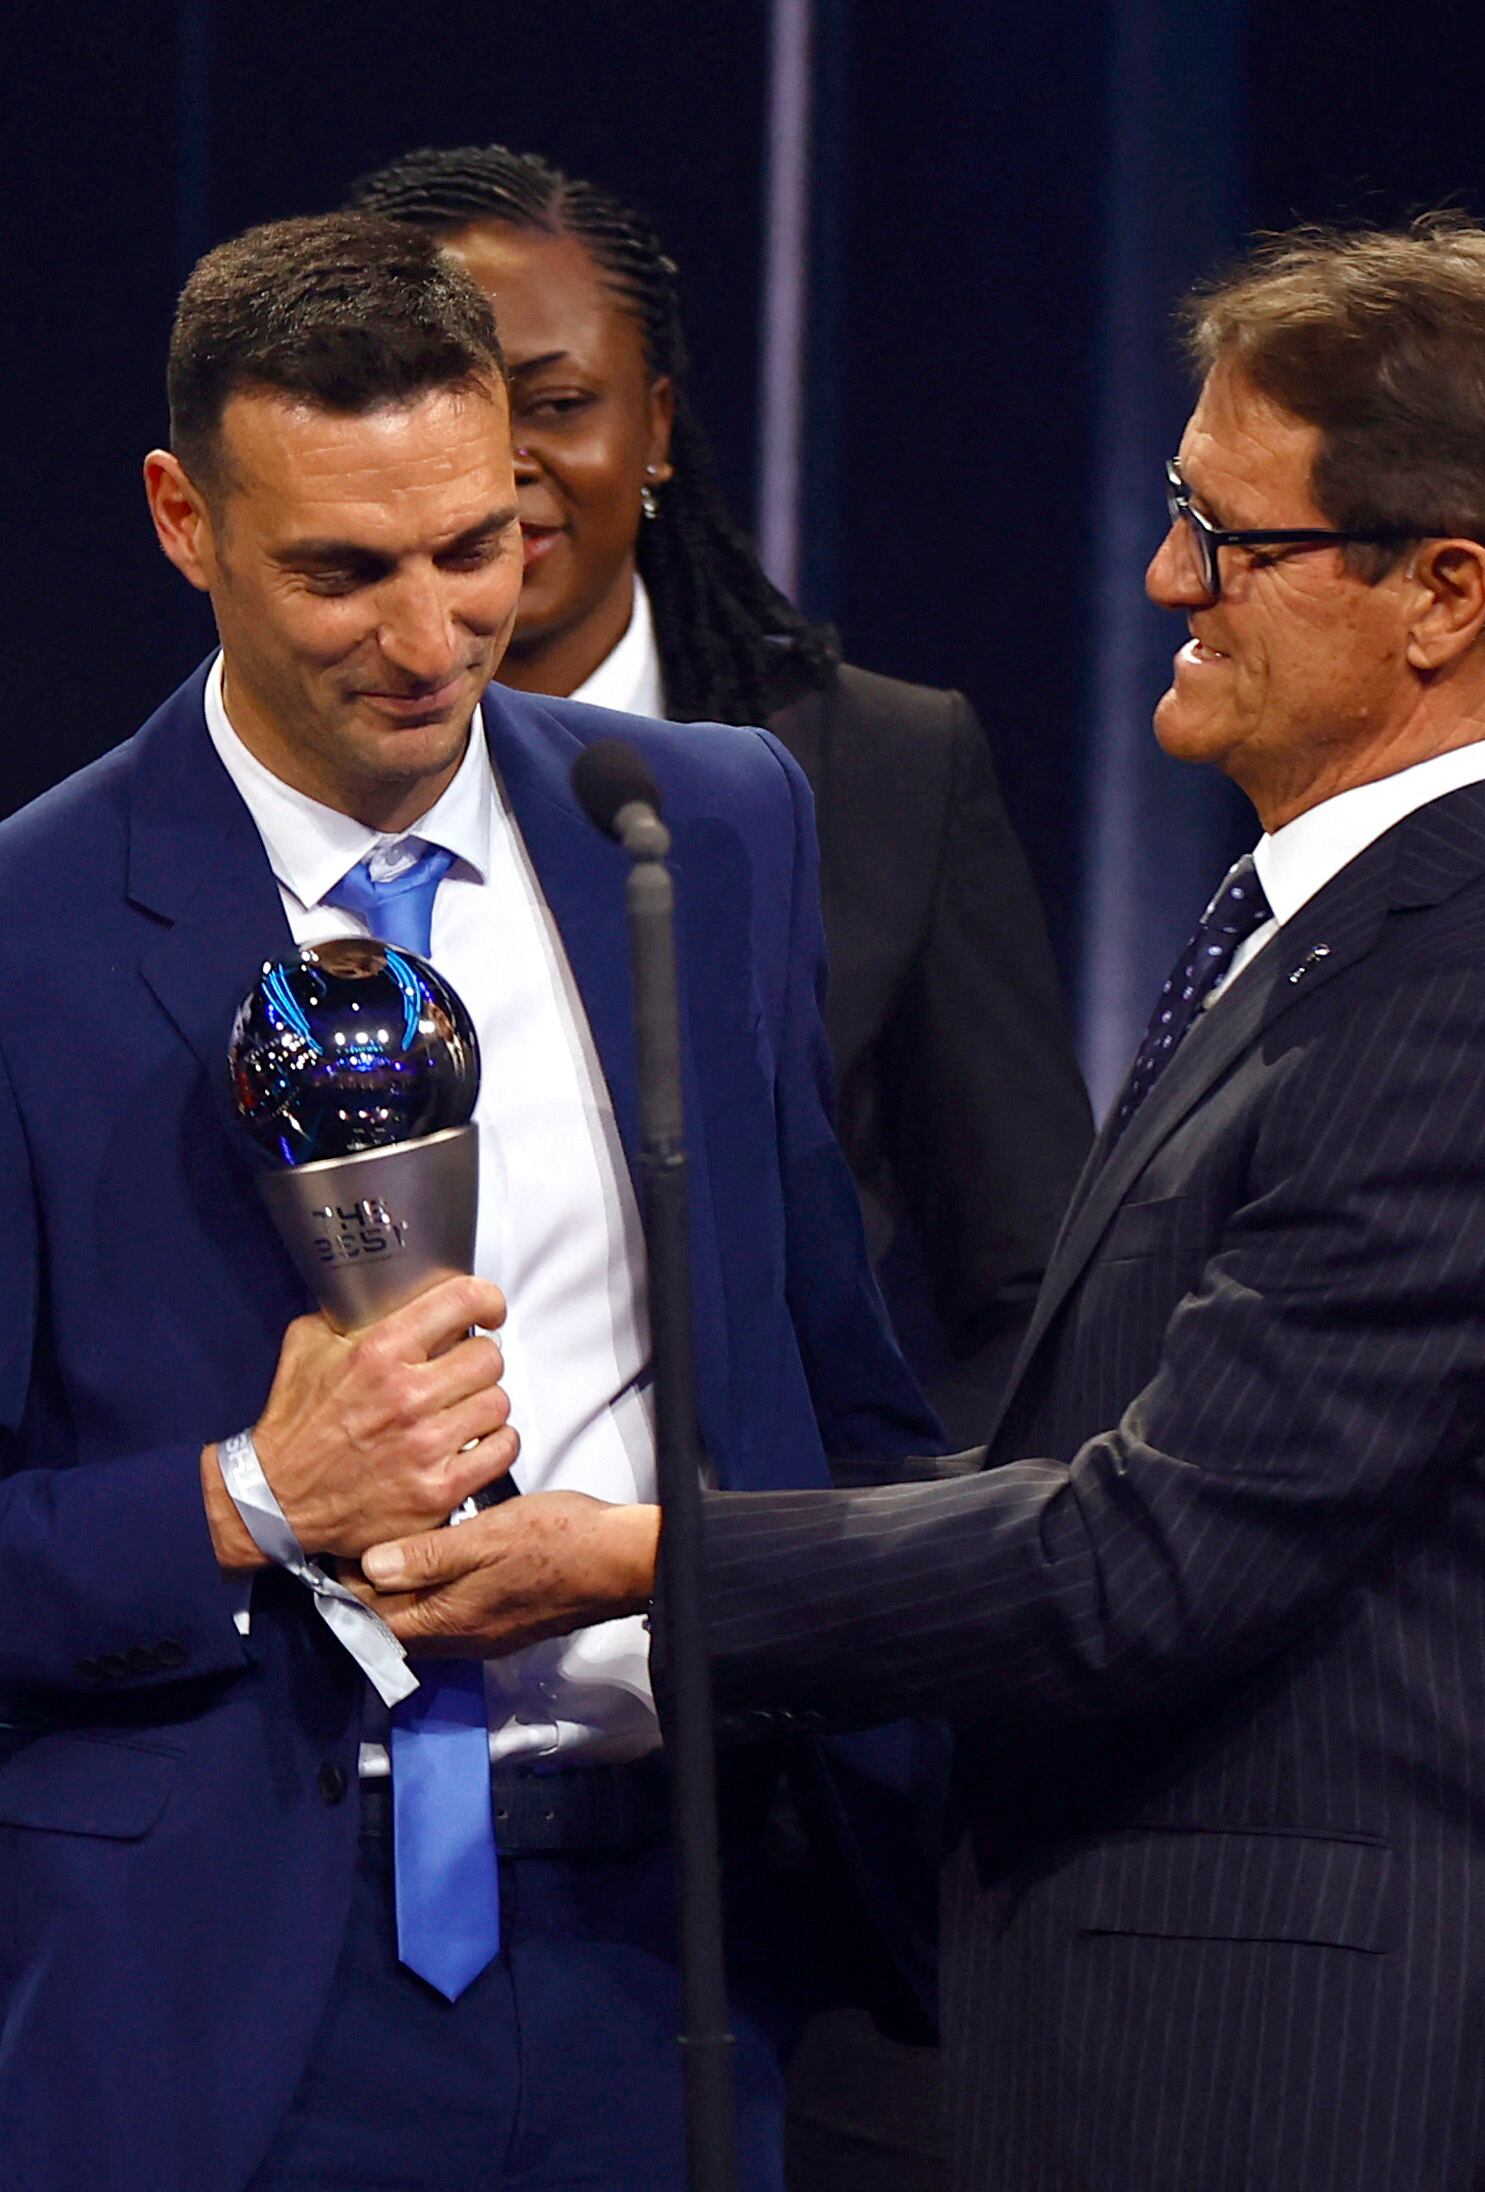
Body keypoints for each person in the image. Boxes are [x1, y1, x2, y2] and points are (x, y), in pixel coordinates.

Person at [358, 216, 1485, 2192]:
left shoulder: (1470, 1005)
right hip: (1162, 2049)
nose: (1164, 574)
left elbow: (1140, 1563)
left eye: (1229, 539)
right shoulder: (1331, 941)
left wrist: (644, 1556)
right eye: (1176, 505)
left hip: (1324, 2084)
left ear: (1442, 592)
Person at [0, 212, 937, 2192]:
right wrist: (247, 1497)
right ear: (181, 520)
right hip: (228, 2004)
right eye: (339, 572)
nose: (425, 635)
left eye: (477, 551)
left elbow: (838, 1384)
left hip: (677, 1966)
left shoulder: (699, 831)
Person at [348, 146, 1094, 1451]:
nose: (495, 467)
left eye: (558, 402)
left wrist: (844, 1568)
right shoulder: (242, 784)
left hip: (757, 1630)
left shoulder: (879, 773)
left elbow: (1036, 1298)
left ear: (654, 429)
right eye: (441, 404)